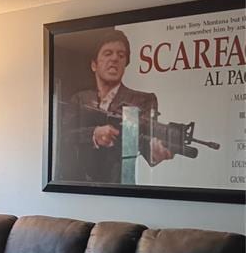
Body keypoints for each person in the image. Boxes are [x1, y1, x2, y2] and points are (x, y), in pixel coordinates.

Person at [60, 29, 172, 184]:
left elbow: (146, 141)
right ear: (94, 65)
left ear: (125, 64)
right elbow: (63, 135)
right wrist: (94, 134)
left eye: (121, 55)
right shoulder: (80, 99)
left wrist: (155, 151)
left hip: (120, 189)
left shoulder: (144, 100)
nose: (114, 59)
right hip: (77, 188)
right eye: (107, 53)